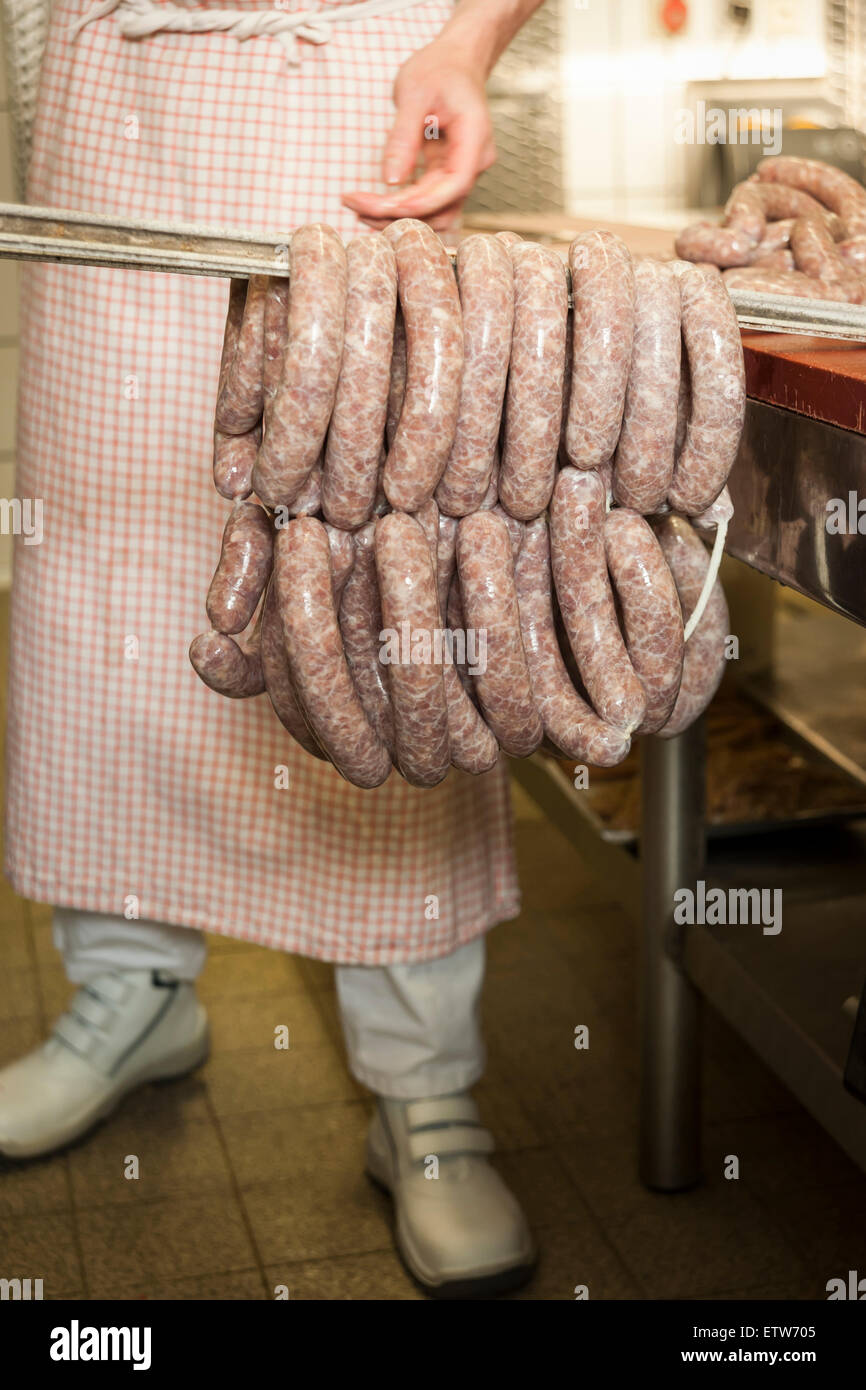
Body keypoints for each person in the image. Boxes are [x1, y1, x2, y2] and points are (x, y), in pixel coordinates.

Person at [0, 0, 545, 1297]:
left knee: (373, 582)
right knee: (110, 556)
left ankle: (424, 1085)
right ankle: (131, 991)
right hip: (111, 84)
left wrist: (469, 42)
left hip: (362, 77)